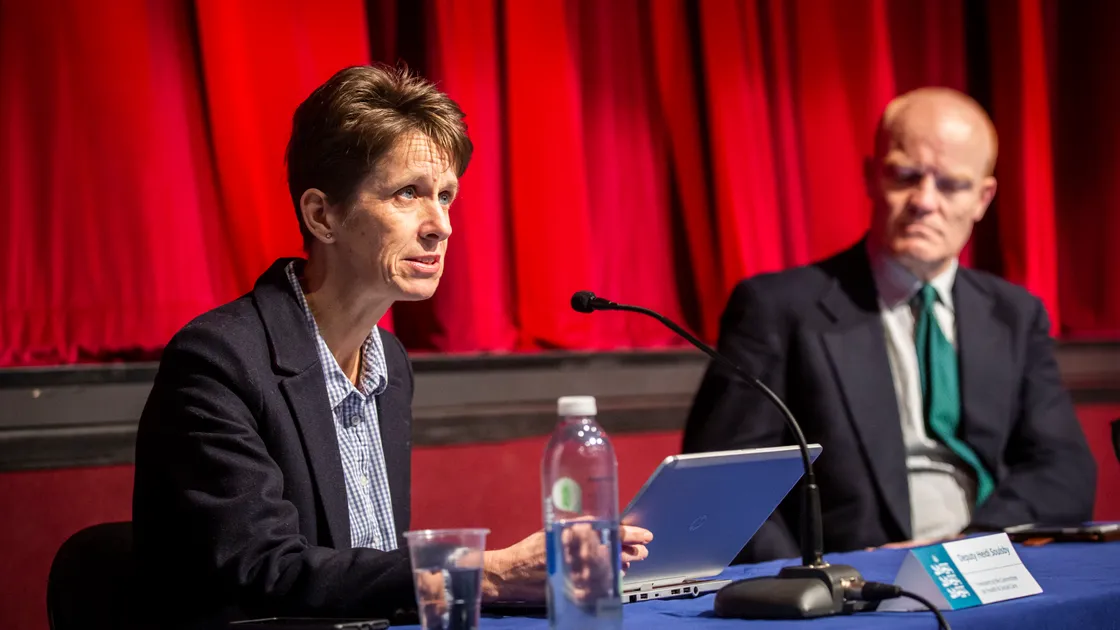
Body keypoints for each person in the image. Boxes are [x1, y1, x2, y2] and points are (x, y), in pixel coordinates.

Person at [132, 64, 652, 626]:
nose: (440, 225)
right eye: (408, 193)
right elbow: (267, 572)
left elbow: (367, 572)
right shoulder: (219, 362)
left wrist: (507, 584)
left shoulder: (390, 365)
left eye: (446, 196)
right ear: (321, 215)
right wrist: (485, 572)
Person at [682, 87, 1096, 563]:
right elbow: (725, 482)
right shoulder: (777, 308)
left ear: (983, 198)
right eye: (905, 175)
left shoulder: (1014, 315)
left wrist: (975, 547)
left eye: (951, 185)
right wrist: (807, 583)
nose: (924, 201)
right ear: (870, 177)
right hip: (851, 584)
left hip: (985, 564)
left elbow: (1063, 467)